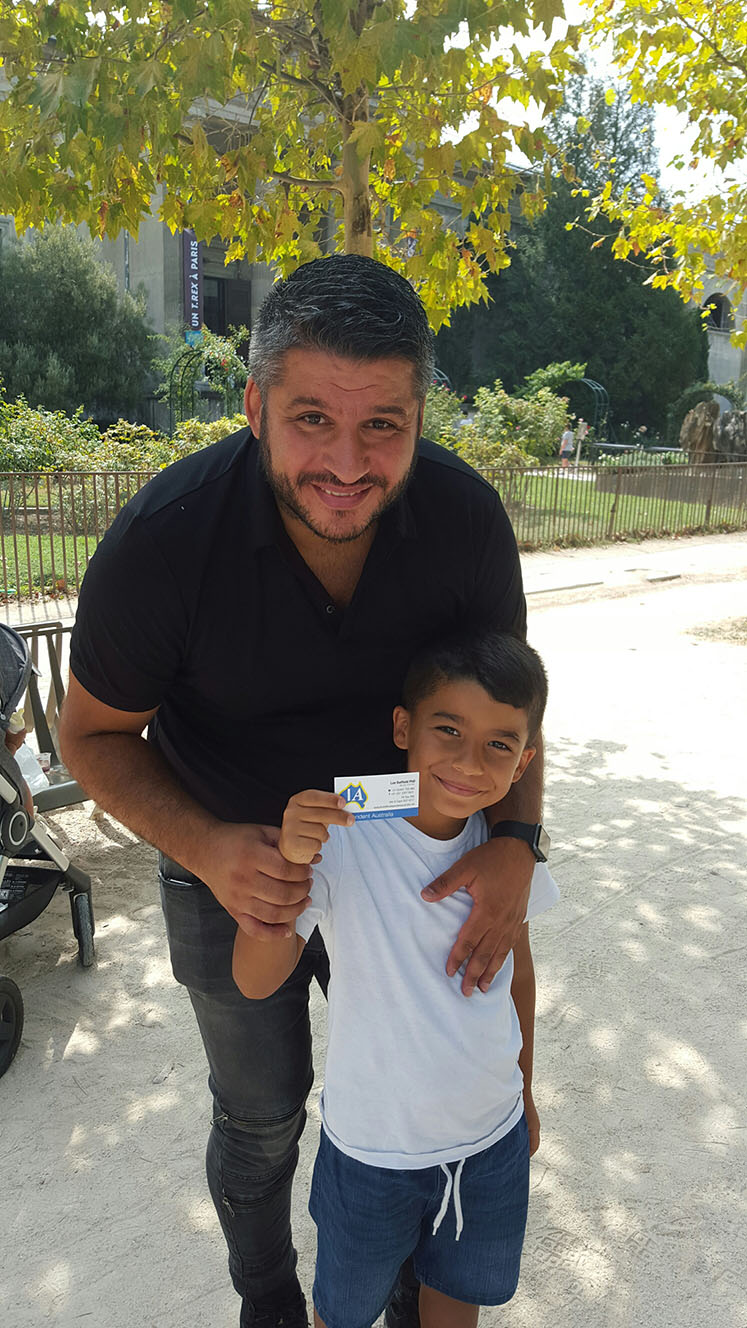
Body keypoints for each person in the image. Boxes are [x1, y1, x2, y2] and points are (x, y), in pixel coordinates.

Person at [60, 255, 548, 1328]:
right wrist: (208, 846)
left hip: (418, 859)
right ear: (254, 407)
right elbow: (89, 734)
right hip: (230, 859)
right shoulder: (165, 540)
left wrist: (517, 839)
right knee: (262, 1115)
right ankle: (271, 1298)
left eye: (383, 425)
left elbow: (515, 703)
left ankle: (414, 1288)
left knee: (427, 1090)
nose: (347, 463)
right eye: (312, 418)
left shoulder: (464, 521)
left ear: (420, 418)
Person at [233, 632, 559, 1328]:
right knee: (343, 1312)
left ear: (525, 761)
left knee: (457, 1297)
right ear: (402, 728)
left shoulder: (507, 856)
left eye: (499, 744)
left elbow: (518, 975)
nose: (469, 762)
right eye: (449, 730)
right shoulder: (341, 836)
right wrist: (287, 865)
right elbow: (255, 981)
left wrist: (526, 1093)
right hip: (372, 1152)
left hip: (489, 1139)